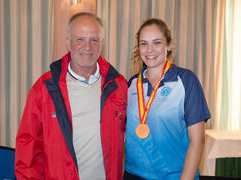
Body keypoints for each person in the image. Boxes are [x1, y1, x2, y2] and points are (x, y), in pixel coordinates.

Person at [15, 12, 127, 179]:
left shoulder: (119, 85)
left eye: (94, 40)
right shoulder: (45, 88)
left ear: (102, 43)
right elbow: (28, 149)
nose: (87, 47)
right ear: (68, 43)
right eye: (79, 39)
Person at [123, 18, 211, 180]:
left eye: (157, 42)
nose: (149, 50)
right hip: (132, 175)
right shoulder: (131, 84)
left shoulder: (186, 81)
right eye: (143, 43)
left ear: (169, 45)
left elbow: (197, 141)